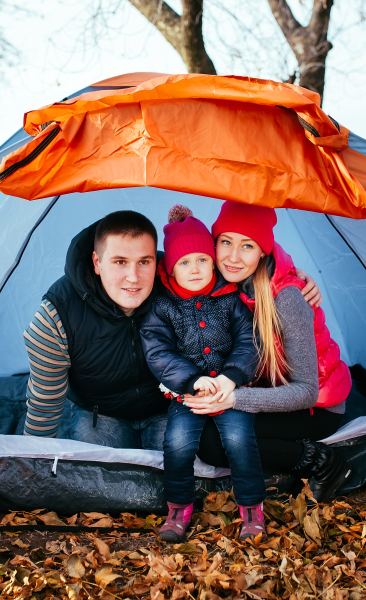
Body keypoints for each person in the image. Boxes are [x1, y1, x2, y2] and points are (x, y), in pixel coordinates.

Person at [189, 201, 355, 502]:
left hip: (316, 405)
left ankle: (321, 462)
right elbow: (171, 264)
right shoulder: (223, 284)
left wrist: (236, 399)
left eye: (247, 246)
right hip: (269, 391)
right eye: (226, 242)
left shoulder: (288, 299)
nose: (233, 256)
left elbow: (306, 391)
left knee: (211, 441)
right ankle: (278, 471)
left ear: (263, 251)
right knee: (201, 423)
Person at [141, 206, 264, 543]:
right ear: (171, 267)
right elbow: (158, 351)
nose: (194, 269)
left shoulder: (230, 297)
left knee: (240, 440)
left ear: (213, 260)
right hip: (187, 391)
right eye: (184, 262)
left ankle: (252, 510)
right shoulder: (163, 305)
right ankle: (178, 509)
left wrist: (231, 377)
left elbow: (249, 341)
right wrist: (191, 380)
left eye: (201, 260)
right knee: (177, 443)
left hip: (229, 389)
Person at [21, 210, 169, 448]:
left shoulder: (176, 287)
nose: (133, 277)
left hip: (166, 408)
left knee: (182, 475)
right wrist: (29, 466)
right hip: (100, 414)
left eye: (144, 262)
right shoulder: (57, 314)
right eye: (120, 262)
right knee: (100, 480)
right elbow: (44, 402)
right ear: (97, 263)